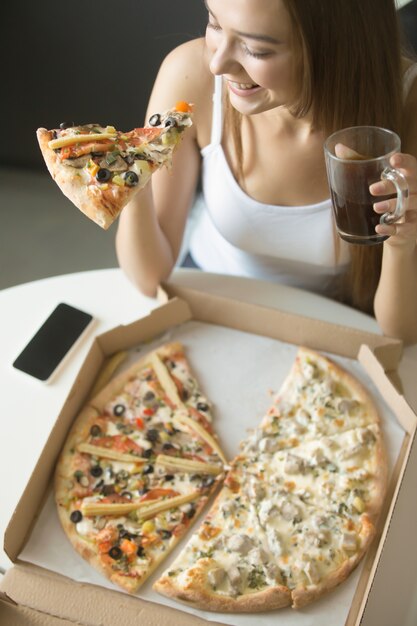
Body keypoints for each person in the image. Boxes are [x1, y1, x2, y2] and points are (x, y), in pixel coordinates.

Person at [116, 0, 417, 343]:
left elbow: (402, 334)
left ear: (336, 48)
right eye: (214, 23)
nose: (218, 64)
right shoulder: (191, 73)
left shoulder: (408, 108)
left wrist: (403, 243)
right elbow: (148, 279)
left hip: (333, 325)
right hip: (207, 297)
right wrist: (131, 182)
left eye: (256, 50)